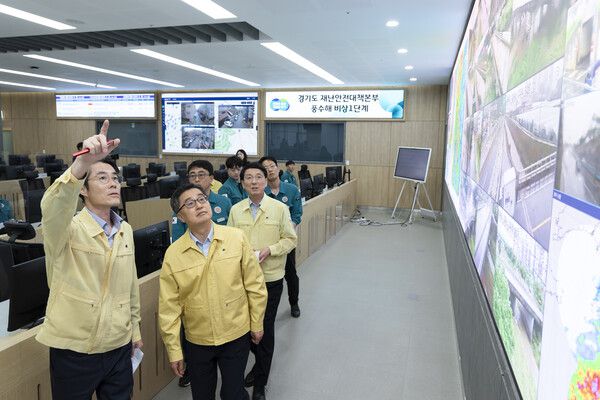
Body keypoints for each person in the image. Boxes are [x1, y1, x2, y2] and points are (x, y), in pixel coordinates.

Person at [37, 120, 143, 399]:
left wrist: (134, 330)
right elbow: (53, 206)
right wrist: (81, 165)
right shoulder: (66, 229)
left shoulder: (125, 230)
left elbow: (130, 287)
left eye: (115, 178)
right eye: (102, 178)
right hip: (75, 350)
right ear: (83, 190)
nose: (113, 184)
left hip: (118, 345)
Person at [159, 183, 267, 400]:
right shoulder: (173, 254)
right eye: (190, 203)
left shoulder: (236, 238)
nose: (199, 205)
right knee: (202, 395)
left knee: (233, 393)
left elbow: (255, 285)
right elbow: (168, 308)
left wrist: (256, 323)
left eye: (201, 199)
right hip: (198, 339)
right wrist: (174, 350)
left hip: (235, 333)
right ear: (180, 216)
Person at [228, 162, 297, 400]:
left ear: (266, 181)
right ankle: (259, 365)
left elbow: (290, 239)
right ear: (242, 183)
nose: (254, 181)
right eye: (249, 177)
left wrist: (270, 250)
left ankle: (260, 382)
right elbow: (229, 241)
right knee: (246, 328)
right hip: (243, 280)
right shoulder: (236, 210)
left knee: (264, 329)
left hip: (270, 278)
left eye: (259, 177)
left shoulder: (279, 209)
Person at [259, 157, 303, 318]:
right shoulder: (260, 192)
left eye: (272, 166)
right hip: (266, 241)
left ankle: (294, 303)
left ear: (278, 169)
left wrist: (287, 231)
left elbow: (297, 214)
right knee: (266, 275)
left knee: (291, 274)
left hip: (286, 241)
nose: (270, 169)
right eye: (265, 167)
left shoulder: (291, 190)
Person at [172, 160, 232, 241]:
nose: (196, 179)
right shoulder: (183, 205)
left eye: (201, 175)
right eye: (192, 176)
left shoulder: (225, 202)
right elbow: (177, 240)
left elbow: (233, 233)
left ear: (211, 178)